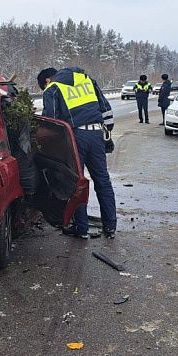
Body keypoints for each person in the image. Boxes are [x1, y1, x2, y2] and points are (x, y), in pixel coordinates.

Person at [37, 67, 117, 239]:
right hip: (97, 134)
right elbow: (106, 110)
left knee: (76, 182)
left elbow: (51, 122)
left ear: (46, 81)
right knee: (102, 180)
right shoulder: (87, 80)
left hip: (75, 138)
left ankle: (81, 228)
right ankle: (110, 226)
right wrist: (106, 135)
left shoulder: (52, 88)